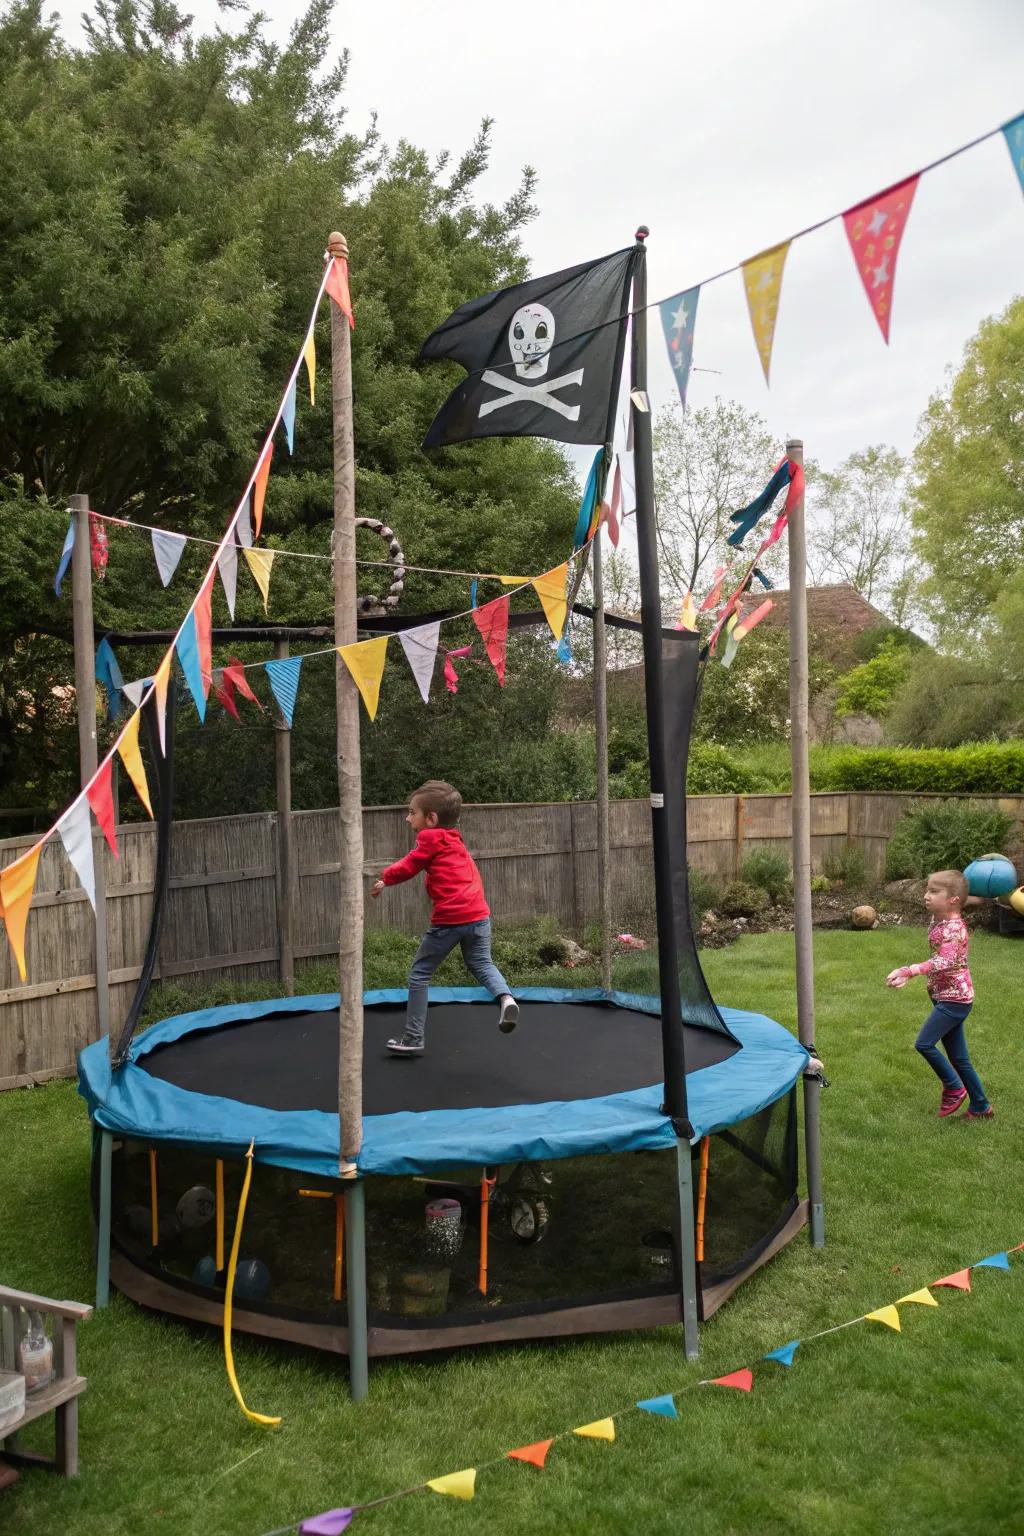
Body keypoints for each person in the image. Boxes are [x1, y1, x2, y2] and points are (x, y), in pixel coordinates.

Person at [371, 780, 518, 1055]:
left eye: (412, 812)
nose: (407, 817)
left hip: (451, 919)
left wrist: (384, 878)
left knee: (419, 975)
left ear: (431, 818)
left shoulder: (429, 838)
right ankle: (506, 998)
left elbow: (409, 865)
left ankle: (413, 1038)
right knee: (482, 963)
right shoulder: (454, 840)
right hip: (479, 916)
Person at [885, 868, 993, 1119]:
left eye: (934, 891)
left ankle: (954, 1088)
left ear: (953, 899)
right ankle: (981, 1106)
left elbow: (945, 961)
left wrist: (910, 970)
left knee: (924, 1043)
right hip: (945, 995)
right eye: (927, 890)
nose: (926, 895)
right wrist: (907, 978)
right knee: (959, 1058)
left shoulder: (953, 928)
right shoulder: (941, 921)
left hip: (955, 999)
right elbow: (941, 957)